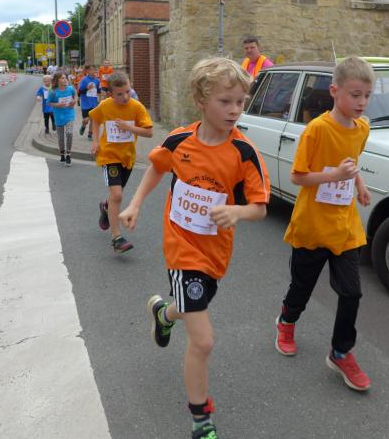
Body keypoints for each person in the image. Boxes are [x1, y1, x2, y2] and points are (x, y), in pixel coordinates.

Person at [119, 57, 270, 439]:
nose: (234, 110)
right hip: (181, 247)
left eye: (240, 102)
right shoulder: (179, 140)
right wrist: (135, 204)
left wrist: (237, 211)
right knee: (203, 341)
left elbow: (260, 207)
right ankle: (201, 418)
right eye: (225, 101)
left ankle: (164, 313)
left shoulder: (244, 153)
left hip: (215, 253)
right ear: (201, 101)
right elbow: (157, 166)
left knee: (189, 307)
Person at [274, 56, 373, 392]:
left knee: (352, 292)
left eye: (367, 96)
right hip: (313, 224)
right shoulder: (317, 129)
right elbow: (298, 176)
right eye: (355, 95)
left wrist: (359, 184)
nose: (362, 102)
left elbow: (351, 163)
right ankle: (286, 321)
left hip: (345, 225)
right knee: (302, 287)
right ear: (334, 91)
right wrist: (334, 175)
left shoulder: (362, 128)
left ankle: (341, 352)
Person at [89, 71, 154, 253]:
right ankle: (116, 237)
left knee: (115, 196)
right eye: (119, 94)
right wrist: (95, 141)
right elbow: (95, 119)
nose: (125, 96)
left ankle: (106, 206)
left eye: (127, 91)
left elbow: (149, 132)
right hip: (109, 156)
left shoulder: (136, 107)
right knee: (117, 195)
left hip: (127, 157)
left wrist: (128, 127)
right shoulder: (105, 105)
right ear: (110, 94)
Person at [47, 72, 77, 166]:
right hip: (58, 116)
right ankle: (62, 154)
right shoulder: (53, 92)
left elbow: (75, 97)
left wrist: (74, 102)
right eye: (62, 78)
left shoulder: (70, 89)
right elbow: (49, 103)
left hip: (69, 115)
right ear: (57, 80)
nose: (65, 80)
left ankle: (68, 155)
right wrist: (57, 105)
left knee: (69, 133)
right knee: (60, 137)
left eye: (65, 78)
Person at [78, 65, 102, 140]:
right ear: (88, 71)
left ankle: (90, 134)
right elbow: (79, 92)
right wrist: (87, 88)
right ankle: (83, 126)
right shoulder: (84, 80)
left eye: (94, 70)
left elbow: (98, 90)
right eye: (91, 70)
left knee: (93, 119)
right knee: (86, 120)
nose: (93, 71)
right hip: (85, 103)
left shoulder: (97, 80)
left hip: (94, 103)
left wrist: (101, 92)